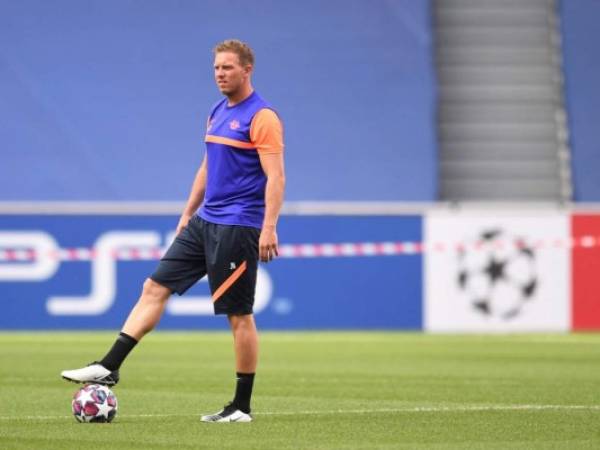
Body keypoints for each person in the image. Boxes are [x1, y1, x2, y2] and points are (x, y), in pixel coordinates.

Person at [61, 39, 285, 423]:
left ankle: (241, 406)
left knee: (238, 316)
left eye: (227, 68)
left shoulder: (262, 117)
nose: (219, 74)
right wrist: (188, 211)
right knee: (154, 287)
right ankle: (109, 366)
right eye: (216, 67)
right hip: (205, 222)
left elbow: (276, 176)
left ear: (247, 70)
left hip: (237, 225)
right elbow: (207, 166)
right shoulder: (216, 110)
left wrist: (269, 227)